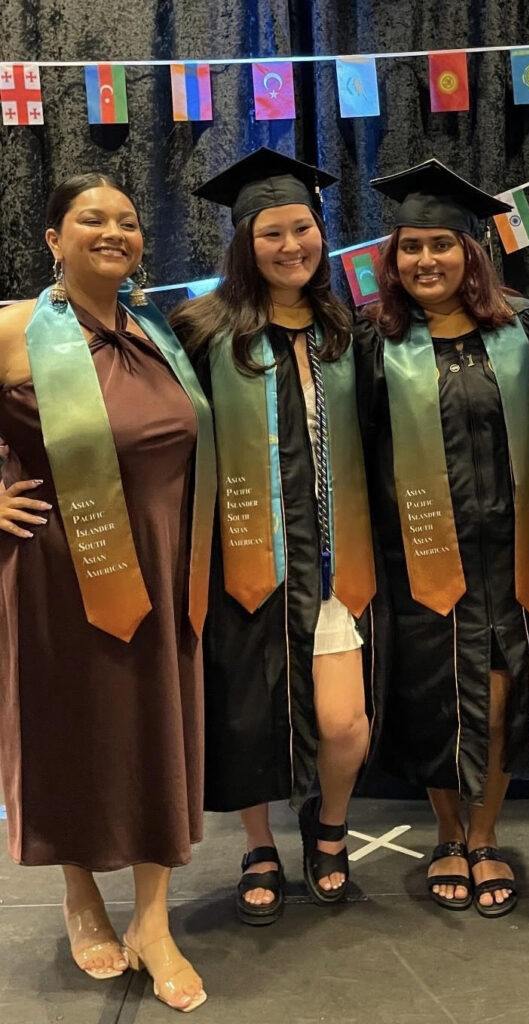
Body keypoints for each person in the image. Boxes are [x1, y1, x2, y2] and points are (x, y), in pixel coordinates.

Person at [0, 173, 215, 1012]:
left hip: (165, 564)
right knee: (73, 732)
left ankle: (153, 921)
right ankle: (81, 894)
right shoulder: (17, 328)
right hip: (62, 567)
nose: (113, 231)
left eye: (127, 219)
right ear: (53, 236)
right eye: (91, 218)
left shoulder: (156, 328)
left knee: (159, 727)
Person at [171, 149, 377, 925]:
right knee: (248, 716)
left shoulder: (344, 327)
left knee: (342, 721)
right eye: (272, 234)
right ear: (244, 243)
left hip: (334, 566)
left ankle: (328, 826)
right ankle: (259, 843)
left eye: (303, 228)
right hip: (245, 557)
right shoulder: (201, 328)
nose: (292, 245)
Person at [357, 159, 529, 917]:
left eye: (442, 244)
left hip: (508, 556)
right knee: (440, 702)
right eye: (411, 247)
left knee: (498, 702)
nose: (426, 260)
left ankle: (487, 833)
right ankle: (446, 834)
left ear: (473, 251)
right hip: (418, 557)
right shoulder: (374, 342)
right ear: (393, 258)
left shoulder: (522, 328)